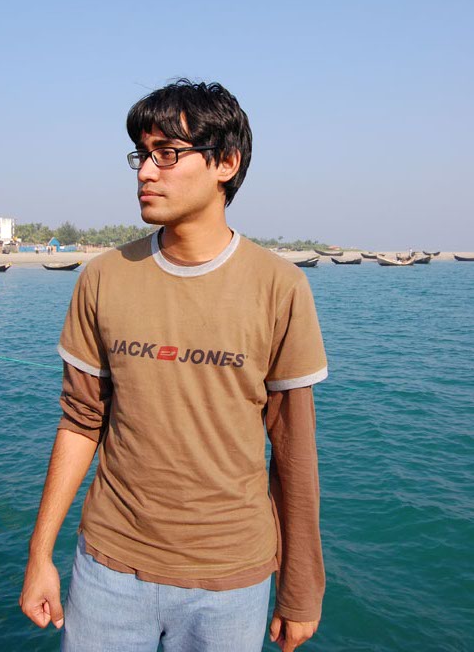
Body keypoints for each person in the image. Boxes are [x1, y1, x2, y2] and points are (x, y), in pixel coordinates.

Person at [20, 79, 328, 652]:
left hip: (231, 579)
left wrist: (301, 587)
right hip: (108, 567)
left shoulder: (280, 288)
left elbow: (293, 448)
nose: (145, 171)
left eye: (167, 154)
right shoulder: (103, 277)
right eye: (141, 154)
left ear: (226, 163)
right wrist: (40, 556)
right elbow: (81, 421)